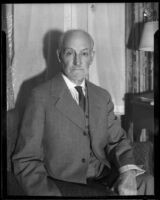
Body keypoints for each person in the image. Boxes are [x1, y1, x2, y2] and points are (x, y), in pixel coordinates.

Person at [12, 29, 154, 196]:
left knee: (147, 182)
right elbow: (25, 159)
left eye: (84, 53)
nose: (78, 61)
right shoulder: (40, 96)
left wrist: (128, 173)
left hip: (104, 175)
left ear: (92, 56)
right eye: (70, 53)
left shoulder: (102, 96)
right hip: (62, 182)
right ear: (59, 56)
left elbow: (117, 141)